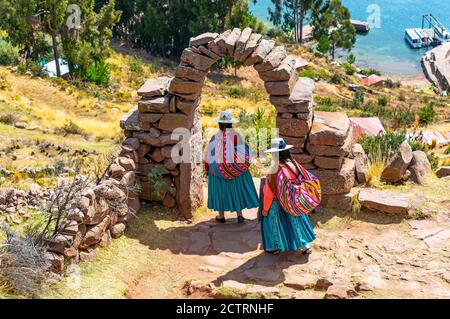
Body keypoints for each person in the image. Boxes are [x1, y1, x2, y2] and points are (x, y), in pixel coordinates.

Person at [260, 138, 316, 255]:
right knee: (297, 219)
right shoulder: (295, 165)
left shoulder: (274, 171)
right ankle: (305, 245)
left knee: (269, 217)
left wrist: (265, 209)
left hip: (280, 203)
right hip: (295, 201)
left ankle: (274, 246)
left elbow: (269, 194)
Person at [205, 111, 259, 223]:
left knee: (220, 190)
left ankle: (221, 215)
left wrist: (208, 169)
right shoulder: (237, 136)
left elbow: (209, 156)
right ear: (231, 124)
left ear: (219, 124)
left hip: (218, 170)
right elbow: (246, 152)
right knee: (236, 188)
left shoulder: (215, 138)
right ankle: (239, 215)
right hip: (236, 170)